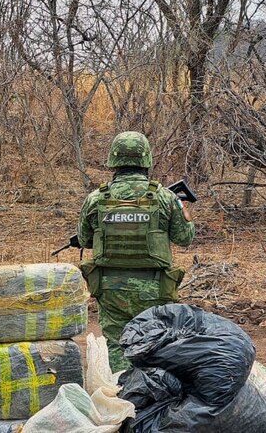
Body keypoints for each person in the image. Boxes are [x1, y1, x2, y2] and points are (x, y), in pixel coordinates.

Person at [77, 131, 195, 372]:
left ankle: (121, 394)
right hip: (155, 288)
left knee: (118, 345)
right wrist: (183, 211)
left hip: (111, 288)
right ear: (146, 160)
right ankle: (154, 397)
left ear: (113, 160)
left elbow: (84, 240)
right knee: (156, 343)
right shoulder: (165, 197)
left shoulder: (95, 199)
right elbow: (184, 238)